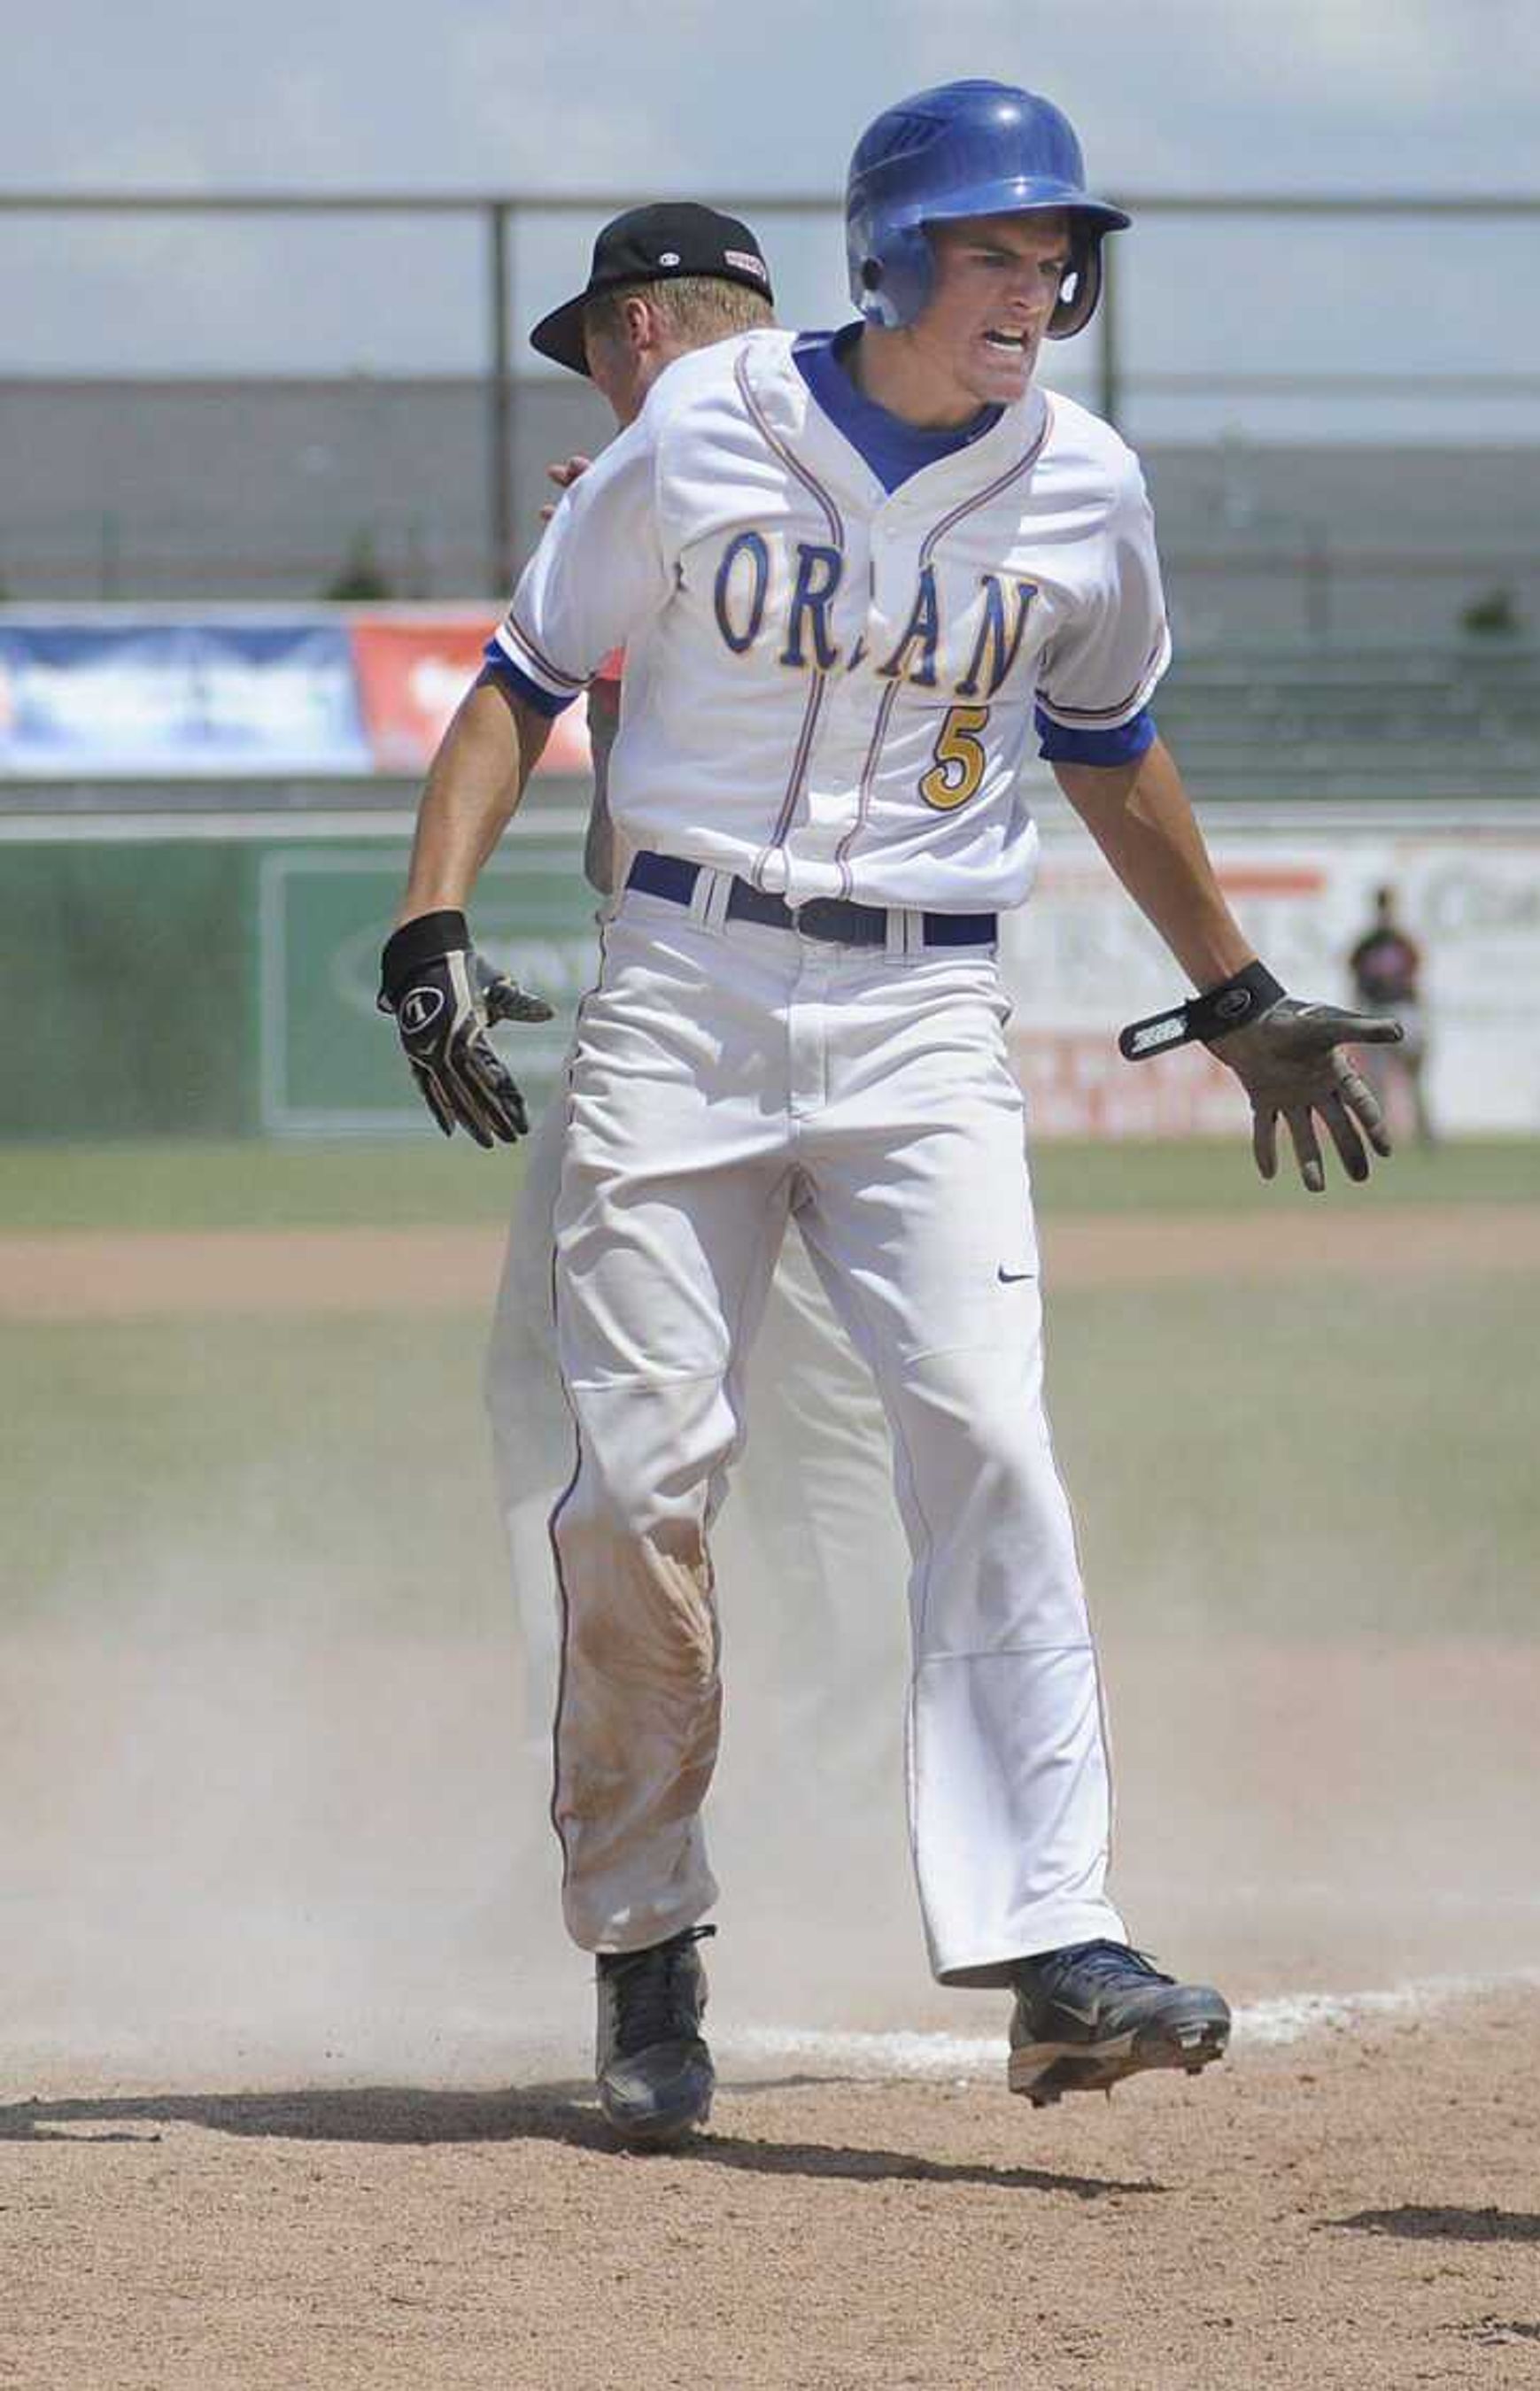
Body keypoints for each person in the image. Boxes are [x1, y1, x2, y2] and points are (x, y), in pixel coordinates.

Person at [376, 81, 1397, 2151]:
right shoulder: (707, 426)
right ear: (888, 258)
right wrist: (430, 923)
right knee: (639, 1489)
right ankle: (645, 1927)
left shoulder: (1085, 491)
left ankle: (1053, 1938)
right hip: (682, 985)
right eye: (992, 249)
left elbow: (1108, 744)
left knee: (990, 1434)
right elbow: (520, 671)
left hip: (925, 1004)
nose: (1031, 289)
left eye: (1055, 257)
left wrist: (1234, 987)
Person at [481, 204, 912, 1822]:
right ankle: (856, 1799)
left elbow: (641, 826)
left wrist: (615, 607)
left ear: (642, 333)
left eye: (595, 347)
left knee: (577, 1393)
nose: (594, 380)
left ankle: (611, 1781)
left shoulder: (672, 491)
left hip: (708, 1016)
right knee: (825, 1427)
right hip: (879, 1024)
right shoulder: (880, 461)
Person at [1345, 883, 1436, 1149]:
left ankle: (1425, 1133)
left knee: (1412, 1077)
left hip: (1400, 1011)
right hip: (1377, 1011)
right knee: (1377, 1081)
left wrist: (1421, 1017)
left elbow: (1415, 979)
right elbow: (1356, 979)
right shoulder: (1369, 943)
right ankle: (1380, 1138)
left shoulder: (1400, 941)